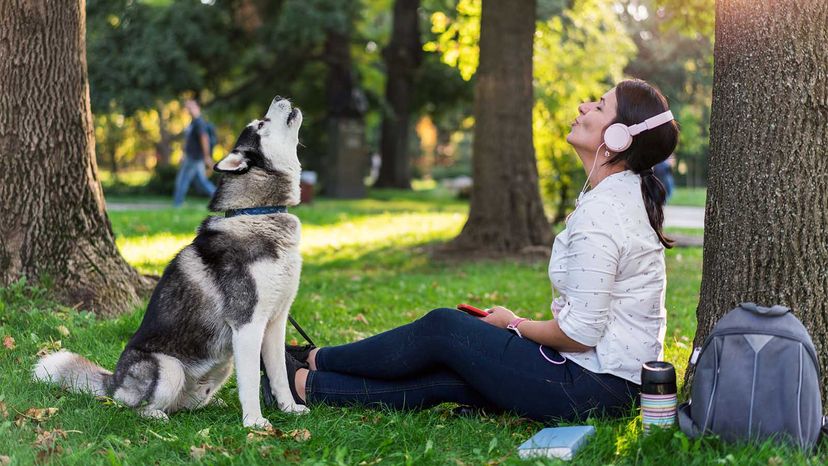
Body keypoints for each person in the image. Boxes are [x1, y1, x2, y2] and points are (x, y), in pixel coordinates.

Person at [272, 79, 679, 423]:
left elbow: (579, 334)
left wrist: (513, 323)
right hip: (610, 388)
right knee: (454, 375)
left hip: (595, 386)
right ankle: (305, 385)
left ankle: (317, 359)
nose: (584, 105)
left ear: (618, 137)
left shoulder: (606, 211)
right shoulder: (615, 197)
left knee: (444, 328)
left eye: (600, 104)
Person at [173, 99, 216, 207]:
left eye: (191, 106)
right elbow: (189, 141)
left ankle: (177, 205)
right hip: (191, 157)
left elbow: (204, 139)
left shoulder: (199, 122)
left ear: (197, 107)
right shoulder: (192, 122)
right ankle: (220, 197)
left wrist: (206, 156)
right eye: (187, 107)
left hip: (194, 158)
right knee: (202, 183)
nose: (189, 109)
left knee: (182, 181)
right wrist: (183, 154)